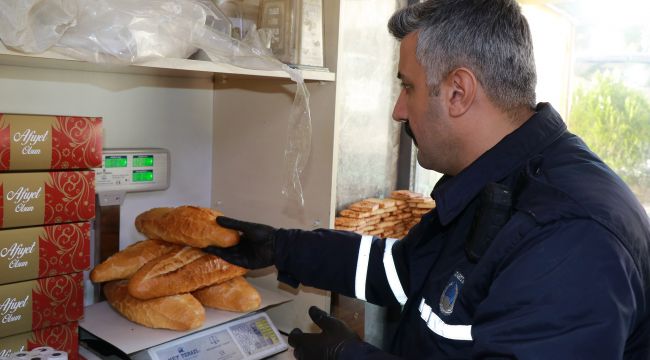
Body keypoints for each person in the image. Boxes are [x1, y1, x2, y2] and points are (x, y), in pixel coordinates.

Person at [205, 0, 650, 358]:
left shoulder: (570, 237)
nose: (399, 110)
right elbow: (401, 271)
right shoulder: (494, 184)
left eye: (408, 87)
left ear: (458, 92)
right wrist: (281, 248)